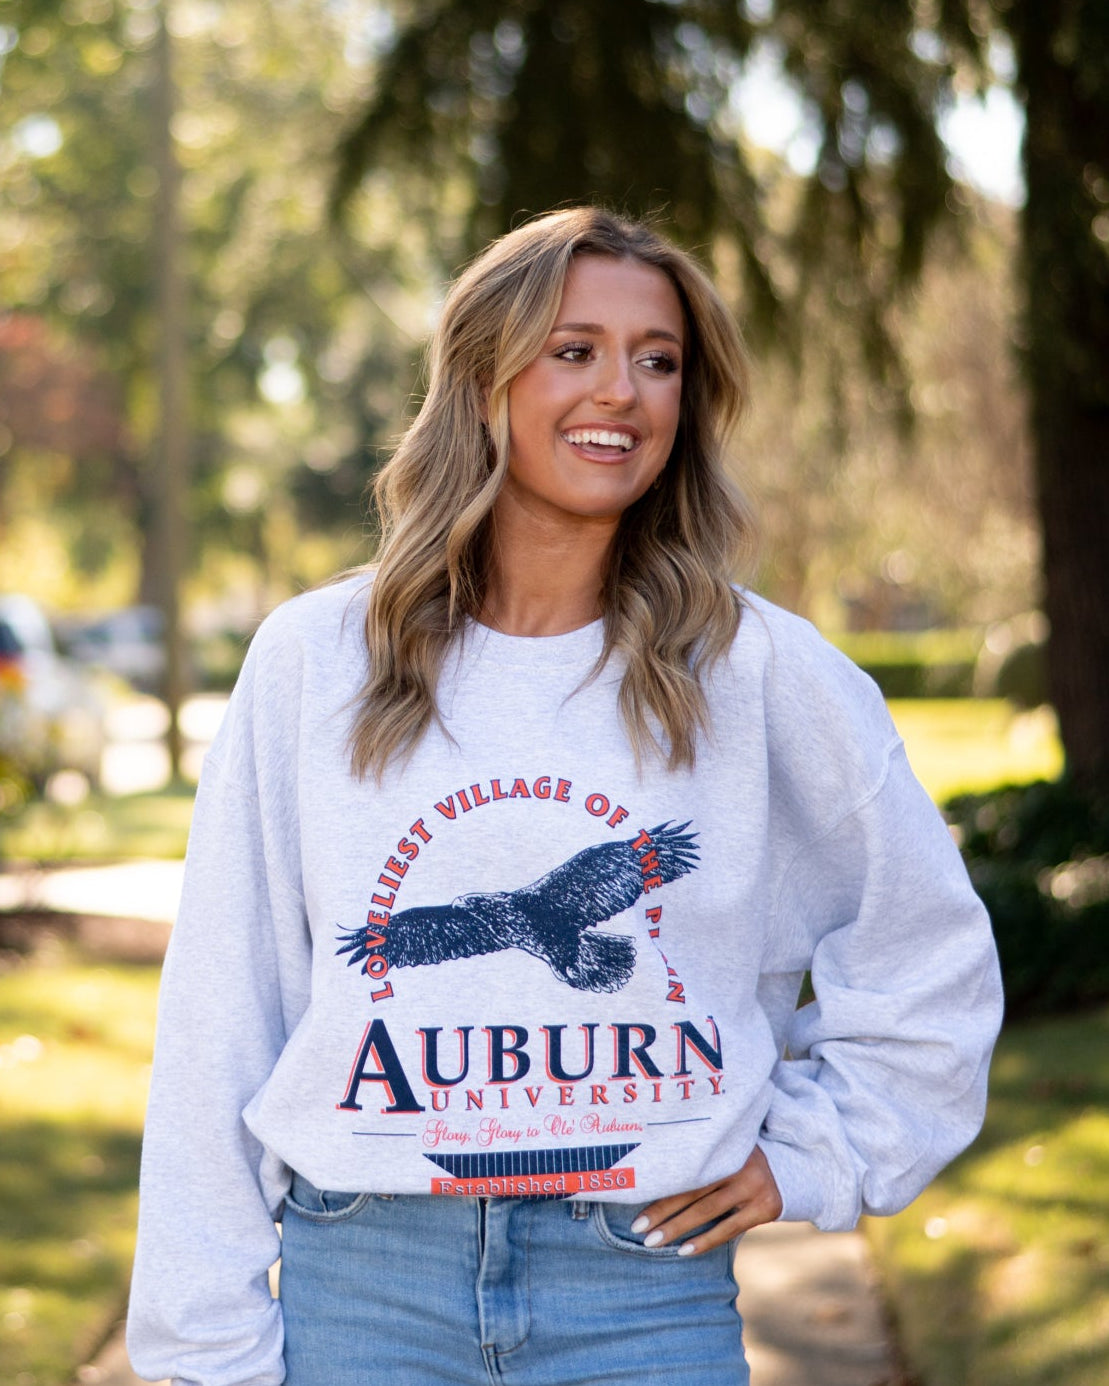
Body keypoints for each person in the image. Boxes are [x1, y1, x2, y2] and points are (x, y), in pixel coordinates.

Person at [127, 207, 1003, 1386]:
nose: (623, 391)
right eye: (573, 350)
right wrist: (202, 1351)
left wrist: (814, 1154)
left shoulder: (757, 672)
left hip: (637, 1285)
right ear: (482, 380)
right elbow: (220, 1018)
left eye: (658, 360)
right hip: (365, 1282)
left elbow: (926, 962)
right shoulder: (316, 661)